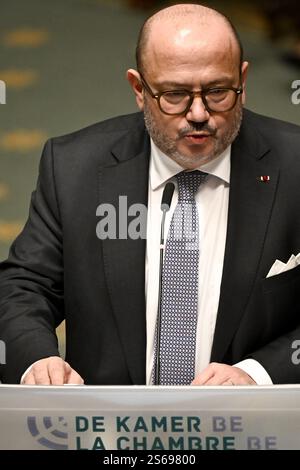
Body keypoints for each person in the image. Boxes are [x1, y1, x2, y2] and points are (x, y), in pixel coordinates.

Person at [1, 3, 300, 386]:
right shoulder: (74, 168)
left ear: (243, 79)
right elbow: (25, 287)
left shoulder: (293, 168)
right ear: (139, 89)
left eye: (218, 91)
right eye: (174, 95)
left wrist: (256, 376)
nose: (198, 113)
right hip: (109, 433)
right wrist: (37, 362)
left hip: (258, 434)